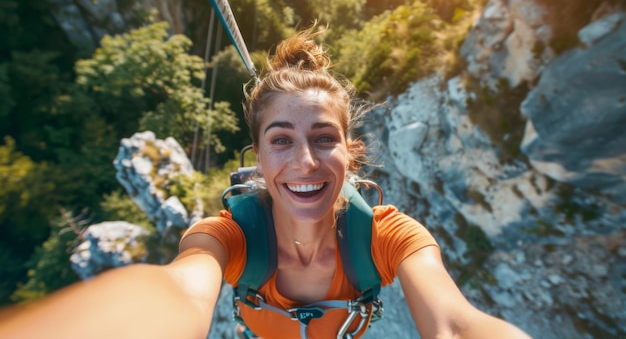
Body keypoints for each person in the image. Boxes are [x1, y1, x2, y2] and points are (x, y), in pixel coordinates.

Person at [0, 24, 531, 339]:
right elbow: (175, 294)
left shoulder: (389, 237)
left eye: (325, 138)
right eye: (281, 140)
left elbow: (455, 324)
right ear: (257, 159)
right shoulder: (226, 237)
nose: (304, 160)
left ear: (352, 152)